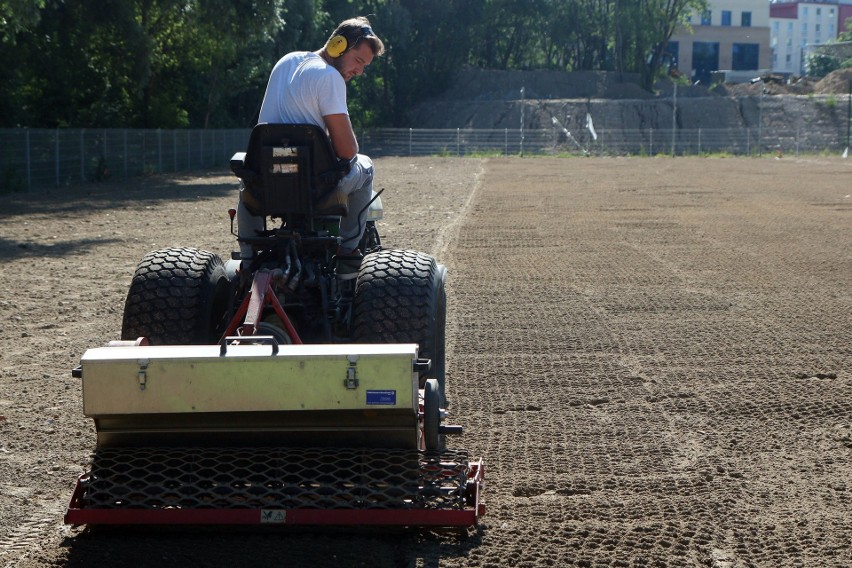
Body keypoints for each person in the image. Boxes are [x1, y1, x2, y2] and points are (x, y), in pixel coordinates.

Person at [237, 16, 385, 280]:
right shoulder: (330, 78)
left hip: (268, 186)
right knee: (366, 166)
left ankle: (248, 261)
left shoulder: (286, 61)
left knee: (248, 181)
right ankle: (348, 253)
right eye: (358, 61)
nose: (359, 71)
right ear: (339, 45)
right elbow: (348, 151)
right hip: (315, 189)